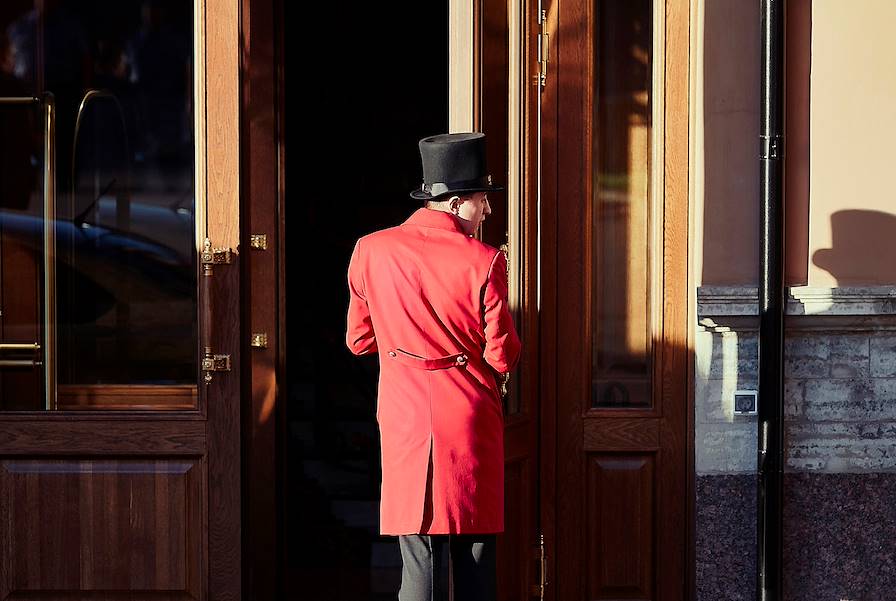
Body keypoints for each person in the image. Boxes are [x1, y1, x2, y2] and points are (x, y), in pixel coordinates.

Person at [345, 132, 521, 601]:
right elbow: (502, 353)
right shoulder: (485, 261)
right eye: (483, 199)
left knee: (418, 548)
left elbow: (359, 341)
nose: (487, 210)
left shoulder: (370, 249)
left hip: (403, 412)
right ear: (457, 202)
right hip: (466, 411)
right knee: (474, 548)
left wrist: (405, 341)